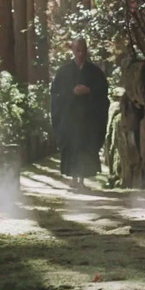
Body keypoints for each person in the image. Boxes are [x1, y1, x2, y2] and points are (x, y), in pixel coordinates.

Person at [50, 36, 110, 186]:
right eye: (77, 50)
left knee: (85, 148)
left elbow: (103, 92)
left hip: (88, 120)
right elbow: (56, 93)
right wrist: (71, 92)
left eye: (83, 50)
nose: (80, 54)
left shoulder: (95, 72)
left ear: (86, 50)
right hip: (69, 118)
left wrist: (89, 90)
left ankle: (82, 180)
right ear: (72, 50)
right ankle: (74, 179)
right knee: (72, 147)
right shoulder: (63, 72)